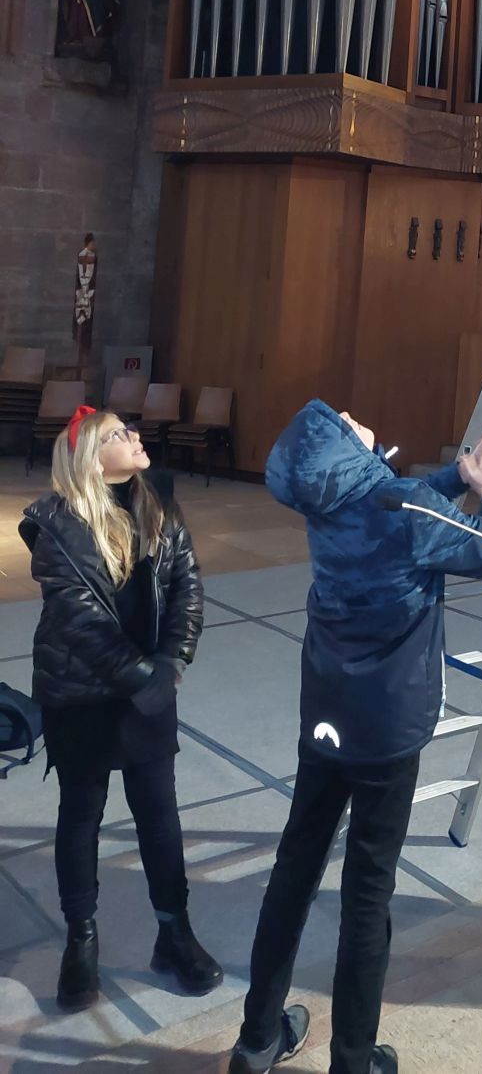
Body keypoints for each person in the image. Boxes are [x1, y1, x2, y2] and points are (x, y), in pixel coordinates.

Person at [228, 402, 482, 1074]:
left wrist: (458, 476)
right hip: (387, 727)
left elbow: (393, 502)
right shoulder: (406, 508)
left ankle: (256, 1039)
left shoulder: (328, 501)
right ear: (339, 450)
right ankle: (353, 1059)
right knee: (367, 895)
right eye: (341, 418)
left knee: (294, 871)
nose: (353, 415)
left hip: (326, 713)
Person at [20, 405, 221, 1012]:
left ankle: (174, 934)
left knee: (159, 814)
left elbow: (187, 586)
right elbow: (80, 622)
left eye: (129, 429)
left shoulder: (158, 504)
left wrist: (173, 663)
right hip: (82, 692)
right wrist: (144, 680)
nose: (134, 435)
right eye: (117, 434)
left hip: (147, 686)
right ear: (89, 457)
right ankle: (81, 941)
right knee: (81, 814)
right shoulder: (56, 525)